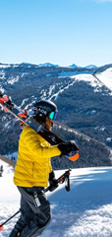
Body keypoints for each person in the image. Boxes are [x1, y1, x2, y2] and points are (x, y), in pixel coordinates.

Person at [10, 100, 79, 237]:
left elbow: (44, 158)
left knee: (27, 218)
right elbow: (39, 152)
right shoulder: (29, 133)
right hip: (30, 184)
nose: (53, 120)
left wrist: (50, 176)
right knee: (43, 217)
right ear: (43, 115)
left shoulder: (41, 134)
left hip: (29, 182)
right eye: (52, 116)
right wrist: (60, 148)